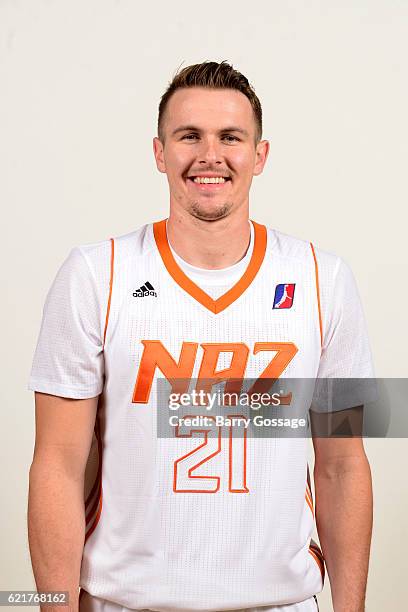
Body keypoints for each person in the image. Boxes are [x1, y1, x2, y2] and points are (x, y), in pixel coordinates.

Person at [28, 61, 375, 612]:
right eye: (188, 136)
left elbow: (342, 462)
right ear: (159, 152)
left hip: (281, 602)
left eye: (230, 137)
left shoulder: (323, 278)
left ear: (259, 156)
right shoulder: (95, 274)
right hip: (125, 602)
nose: (209, 155)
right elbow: (58, 464)